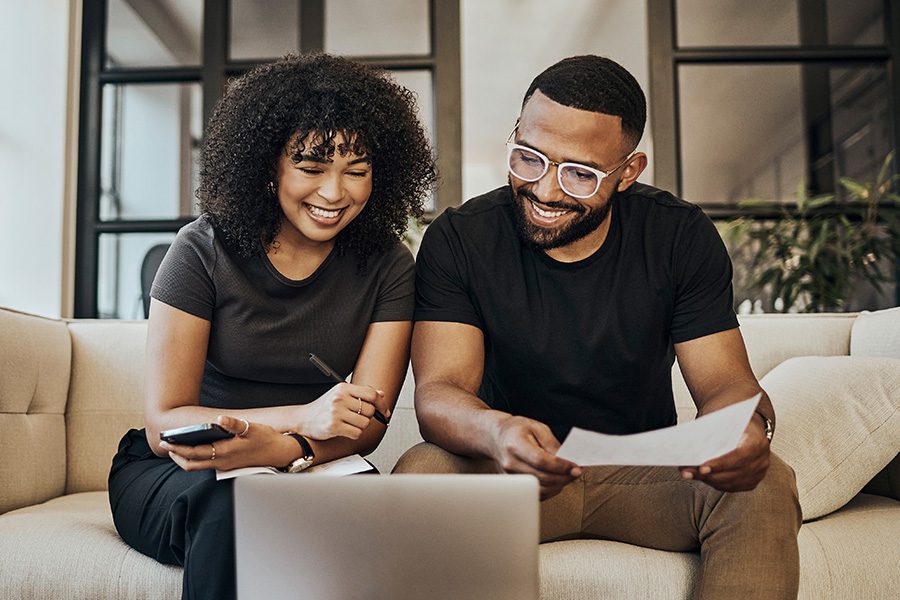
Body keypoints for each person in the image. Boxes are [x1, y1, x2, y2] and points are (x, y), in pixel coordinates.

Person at [394, 55, 801, 599]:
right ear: (515, 135)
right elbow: (440, 392)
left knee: (767, 480)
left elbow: (726, 384)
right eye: (528, 158)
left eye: (579, 173)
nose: (544, 189)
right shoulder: (461, 239)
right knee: (423, 470)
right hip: (511, 475)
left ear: (629, 171)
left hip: (644, 474)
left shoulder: (679, 236)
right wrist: (496, 432)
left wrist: (747, 431)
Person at [108, 53, 435, 600]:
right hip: (188, 467)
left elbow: (368, 423)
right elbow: (164, 423)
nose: (336, 193)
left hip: (306, 462)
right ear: (268, 167)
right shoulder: (201, 250)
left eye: (356, 171)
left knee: (376, 518)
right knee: (242, 512)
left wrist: (283, 449)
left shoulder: (389, 265)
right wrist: (302, 418)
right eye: (311, 168)